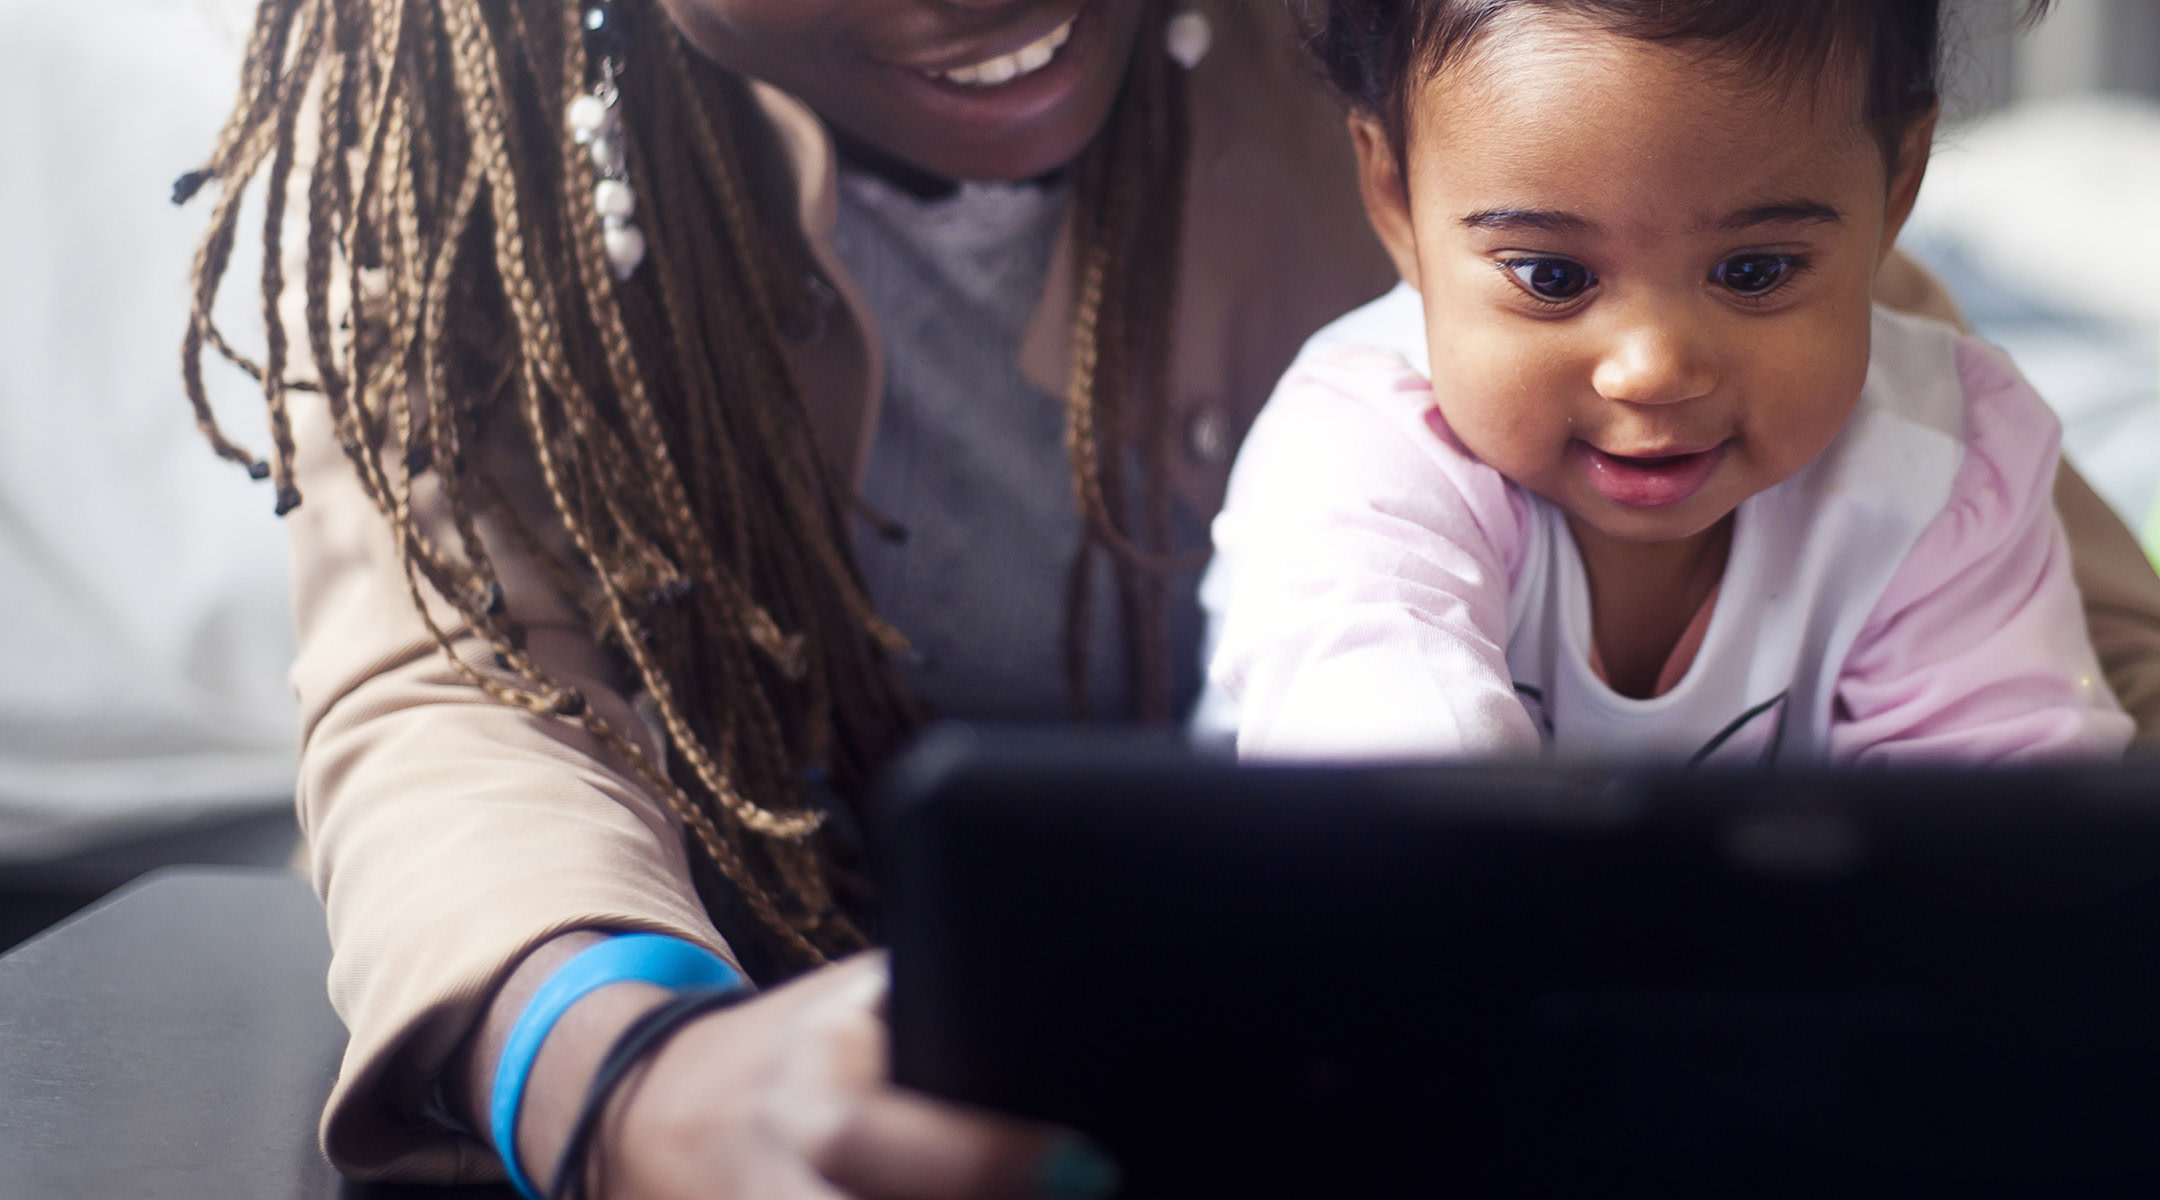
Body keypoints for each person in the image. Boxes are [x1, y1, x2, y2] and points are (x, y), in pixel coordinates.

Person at [171, 0, 2160, 1197]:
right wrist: (630, 1079)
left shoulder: (1429, 51)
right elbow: (462, 690)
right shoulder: (469, 165)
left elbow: (1954, 515)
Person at [1203, 0, 2133, 764]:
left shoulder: (1945, 462)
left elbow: (2008, 852)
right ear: (1395, 197)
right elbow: (1398, 841)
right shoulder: (1355, 464)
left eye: (1755, 271)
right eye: (1554, 279)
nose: (1653, 371)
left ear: (1897, 192)